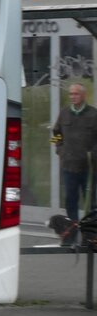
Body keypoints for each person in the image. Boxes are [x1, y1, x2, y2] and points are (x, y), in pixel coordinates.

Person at [52, 82, 97, 240]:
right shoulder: (64, 113)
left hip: (89, 169)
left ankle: (90, 236)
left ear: (83, 95)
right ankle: (71, 235)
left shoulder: (93, 114)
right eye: (71, 94)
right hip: (69, 167)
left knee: (91, 204)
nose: (73, 97)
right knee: (71, 202)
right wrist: (60, 150)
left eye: (76, 94)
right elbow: (55, 133)